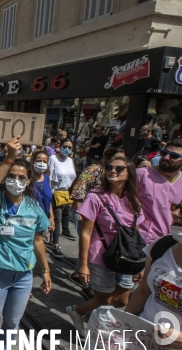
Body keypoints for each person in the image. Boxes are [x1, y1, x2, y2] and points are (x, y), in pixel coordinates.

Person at [0, 136, 52, 350]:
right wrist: (9, 159)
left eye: (22, 177)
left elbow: (38, 240)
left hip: (23, 275)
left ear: (28, 181)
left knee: (12, 321)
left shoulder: (33, 207)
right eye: (12, 177)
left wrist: (46, 270)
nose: (16, 180)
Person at [67, 157, 144, 338]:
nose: (113, 171)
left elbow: (137, 231)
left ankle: (78, 310)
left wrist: (141, 262)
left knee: (122, 298)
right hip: (100, 255)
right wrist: (83, 265)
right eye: (109, 167)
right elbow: (85, 232)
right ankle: (100, 336)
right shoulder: (95, 196)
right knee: (104, 299)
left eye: (119, 169)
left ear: (129, 173)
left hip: (126, 255)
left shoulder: (133, 199)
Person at [69, 148, 126, 298]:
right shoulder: (94, 170)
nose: (116, 168)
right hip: (87, 214)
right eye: (117, 160)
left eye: (122, 164)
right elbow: (78, 190)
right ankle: (87, 279)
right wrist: (79, 211)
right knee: (88, 245)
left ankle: (81, 272)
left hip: (105, 220)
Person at [125, 201, 182, 350]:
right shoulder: (161, 246)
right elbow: (143, 291)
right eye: (177, 206)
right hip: (142, 342)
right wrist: (124, 325)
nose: (175, 213)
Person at [136, 139, 182, 244]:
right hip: (143, 241)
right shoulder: (141, 174)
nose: (166, 157)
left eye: (174, 156)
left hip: (173, 243)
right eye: (164, 153)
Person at [47, 138, 77, 257]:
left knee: (64, 216)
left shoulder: (70, 160)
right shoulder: (53, 159)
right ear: (59, 146)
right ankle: (56, 244)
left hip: (66, 193)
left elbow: (73, 175)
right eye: (65, 146)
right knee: (57, 218)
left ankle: (54, 236)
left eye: (70, 148)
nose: (67, 149)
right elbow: (48, 176)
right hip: (55, 192)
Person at [30, 148, 55, 237]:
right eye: (39, 161)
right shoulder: (28, 180)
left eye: (44, 161)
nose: (42, 163)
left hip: (43, 221)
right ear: (33, 161)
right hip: (31, 222)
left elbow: (48, 199)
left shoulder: (47, 178)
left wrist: (51, 217)